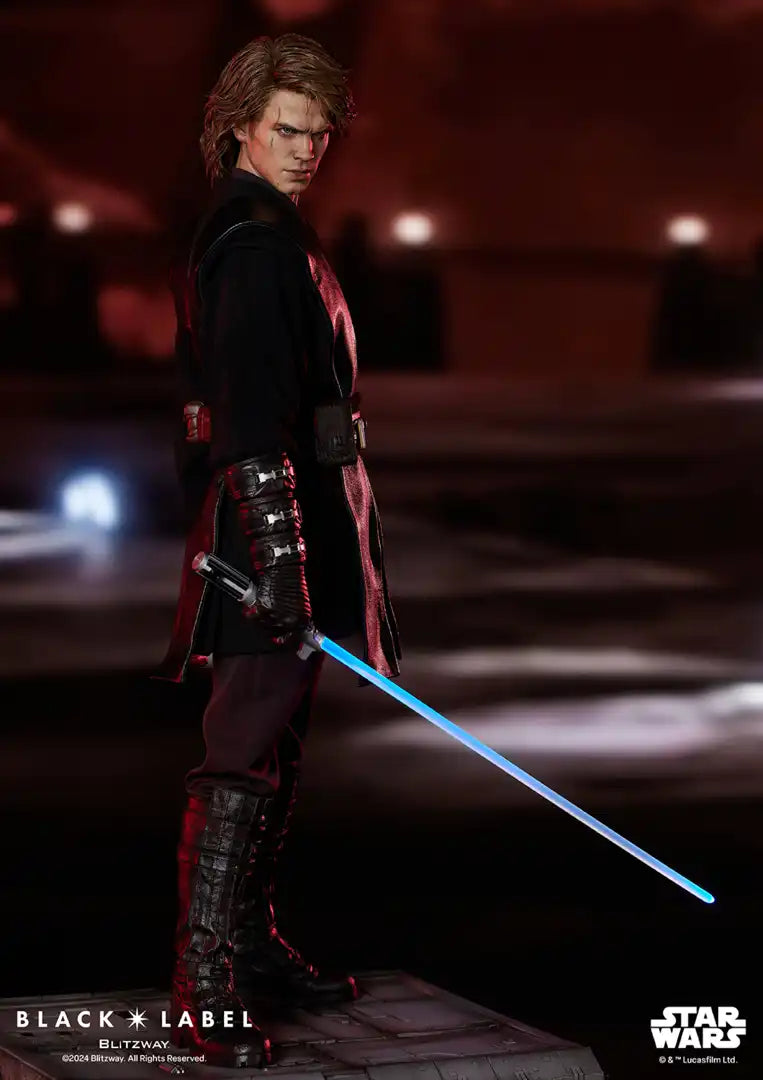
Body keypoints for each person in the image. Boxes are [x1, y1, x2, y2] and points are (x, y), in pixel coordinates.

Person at [154, 33, 401, 1069]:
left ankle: (247, 949)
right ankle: (204, 984)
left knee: (276, 747)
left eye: (319, 133)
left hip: (290, 533)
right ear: (240, 129)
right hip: (266, 540)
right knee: (242, 752)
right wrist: (280, 568)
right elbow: (250, 425)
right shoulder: (252, 244)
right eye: (288, 130)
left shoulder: (269, 229)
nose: (306, 149)